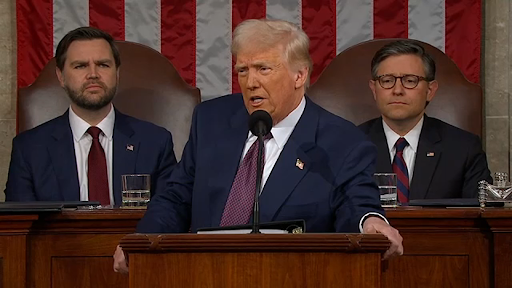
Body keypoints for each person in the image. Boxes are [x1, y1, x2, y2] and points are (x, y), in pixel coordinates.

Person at [114, 18, 403, 273]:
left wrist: (370, 222)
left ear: (299, 75)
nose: (250, 82)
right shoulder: (211, 121)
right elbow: (176, 196)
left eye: (264, 69)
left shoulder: (341, 141)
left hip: (294, 276)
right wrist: (142, 242)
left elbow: (357, 202)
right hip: (202, 274)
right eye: (243, 70)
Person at [5, 27, 177, 206]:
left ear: (117, 74)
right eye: (80, 66)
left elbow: (170, 214)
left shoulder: (155, 142)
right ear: (61, 76)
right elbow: (20, 225)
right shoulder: (29, 149)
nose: (93, 74)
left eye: (103, 65)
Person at [359, 39, 492, 202]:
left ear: (430, 90)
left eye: (410, 81)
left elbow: (483, 216)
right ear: (374, 89)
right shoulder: (348, 145)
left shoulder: (464, 148)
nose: (397, 90)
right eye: (387, 81)